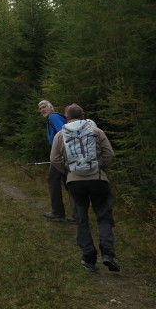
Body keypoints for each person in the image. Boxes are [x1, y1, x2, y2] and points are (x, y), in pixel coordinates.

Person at [50, 104, 120, 272]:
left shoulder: (61, 135)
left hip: (74, 182)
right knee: (103, 216)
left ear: (67, 118)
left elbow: (54, 158)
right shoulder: (96, 132)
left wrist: (68, 172)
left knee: (81, 219)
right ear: (83, 116)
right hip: (98, 179)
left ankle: (89, 258)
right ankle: (108, 254)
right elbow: (109, 154)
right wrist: (101, 168)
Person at [38, 100, 76, 222]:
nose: (42, 110)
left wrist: (62, 154)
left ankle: (58, 212)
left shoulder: (54, 117)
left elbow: (64, 133)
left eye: (44, 107)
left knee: (53, 180)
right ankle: (77, 214)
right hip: (63, 155)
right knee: (68, 183)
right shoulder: (51, 119)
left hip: (61, 155)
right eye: (40, 109)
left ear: (51, 108)